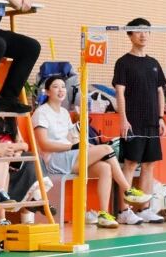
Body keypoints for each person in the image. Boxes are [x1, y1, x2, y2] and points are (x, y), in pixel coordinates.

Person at [33, 75, 150, 229]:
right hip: (54, 160)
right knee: (107, 149)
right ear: (47, 91)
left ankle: (103, 215)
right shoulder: (41, 113)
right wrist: (73, 147)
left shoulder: (64, 112)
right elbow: (44, 144)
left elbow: (71, 138)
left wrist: (84, 144)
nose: (61, 90)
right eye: (55, 87)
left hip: (71, 156)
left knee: (105, 168)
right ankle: (128, 191)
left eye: (63, 86)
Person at [112, 18, 166, 225]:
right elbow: (120, 92)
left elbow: (160, 91)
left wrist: (160, 117)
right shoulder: (123, 62)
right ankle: (123, 211)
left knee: (149, 164)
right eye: (138, 31)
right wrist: (123, 120)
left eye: (146, 31)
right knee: (130, 163)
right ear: (130, 35)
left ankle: (144, 209)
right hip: (132, 122)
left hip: (152, 121)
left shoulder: (153, 63)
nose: (143, 35)